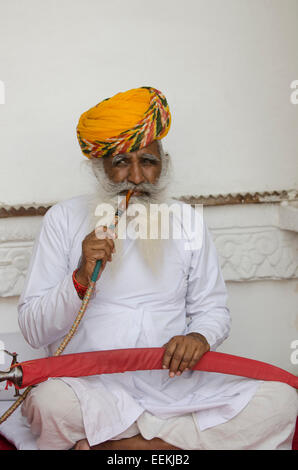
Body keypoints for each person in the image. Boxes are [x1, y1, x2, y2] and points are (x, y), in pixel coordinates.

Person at [18, 87, 297, 450]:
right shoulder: (64, 219)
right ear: (99, 165)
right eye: (121, 162)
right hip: (92, 387)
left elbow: (212, 310)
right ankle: (173, 448)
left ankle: (120, 448)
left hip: (176, 387)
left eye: (148, 161)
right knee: (49, 403)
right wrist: (80, 276)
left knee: (279, 402)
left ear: (163, 163)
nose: (137, 177)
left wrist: (199, 338)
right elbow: (34, 329)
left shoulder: (187, 220)